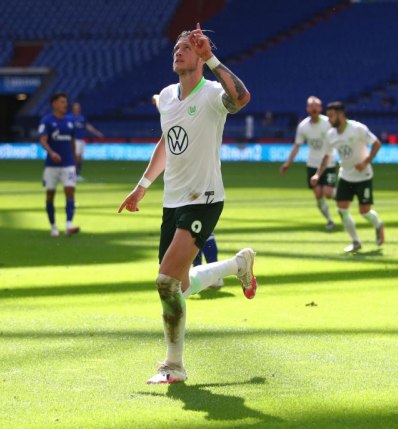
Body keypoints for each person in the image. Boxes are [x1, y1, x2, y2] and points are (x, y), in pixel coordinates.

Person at [118, 23, 257, 384]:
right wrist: (142, 186)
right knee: (178, 286)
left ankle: (173, 366)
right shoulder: (166, 96)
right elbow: (168, 141)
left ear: (200, 56)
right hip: (173, 201)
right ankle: (237, 265)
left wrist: (211, 57)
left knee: (165, 282)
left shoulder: (212, 94)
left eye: (187, 48)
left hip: (204, 199)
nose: (178, 52)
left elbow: (241, 98)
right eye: (177, 48)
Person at [152, 93, 223, 289]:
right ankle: (211, 271)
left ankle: (215, 271)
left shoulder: (199, 111)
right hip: (181, 188)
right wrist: (158, 100)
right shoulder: (179, 112)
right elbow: (165, 106)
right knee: (187, 237)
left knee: (197, 234)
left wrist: (157, 99)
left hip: (198, 186)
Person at [311, 102, 384, 253]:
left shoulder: (358, 128)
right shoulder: (331, 135)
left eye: (331, 116)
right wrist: (318, 174)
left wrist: (365, 162)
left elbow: (376, 143)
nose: (329, 119)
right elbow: (327, 156)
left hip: (363, 176)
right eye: (328, 116)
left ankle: (378, 225)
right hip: (345, 176)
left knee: (364, 212)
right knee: (342, 209)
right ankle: (356, 242)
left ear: (341, 115)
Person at [280, 96, 336, 230]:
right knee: (318, 194)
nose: (314, 108)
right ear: (307, 109)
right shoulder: (303, 126)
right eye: (311, 106)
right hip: (312, 164)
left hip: (328, 163)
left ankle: (343, 199)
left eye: (316, 106)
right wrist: (287, 163)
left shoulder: (328, 123)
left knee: (328, 193)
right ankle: (330, 220)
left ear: (321, 108)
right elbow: (297, 146)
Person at [39, 93, 80, 237]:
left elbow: (73, 141)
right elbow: (43, 140)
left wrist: (75, 159)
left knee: (70, 192)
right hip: (51, 165)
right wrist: (51, 153)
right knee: (50, 195)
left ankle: (69, 225)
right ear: (54, 104)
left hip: (68, 164)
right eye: (62, 102)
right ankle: (53, 227)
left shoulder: (70, 121)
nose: (65, 104)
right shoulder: (47, 121)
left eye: (65, 102)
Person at [66, 102, 104, 181]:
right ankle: (72, 174)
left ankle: (77, 174)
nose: (77, 108)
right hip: (74, 140)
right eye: (76, 107)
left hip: (81, 140)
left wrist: (96, 133)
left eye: (78, 107)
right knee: (75, 157)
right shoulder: (69, 117)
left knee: (80, 158)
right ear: (73, 108)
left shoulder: (82, 117)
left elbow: (87, 126)